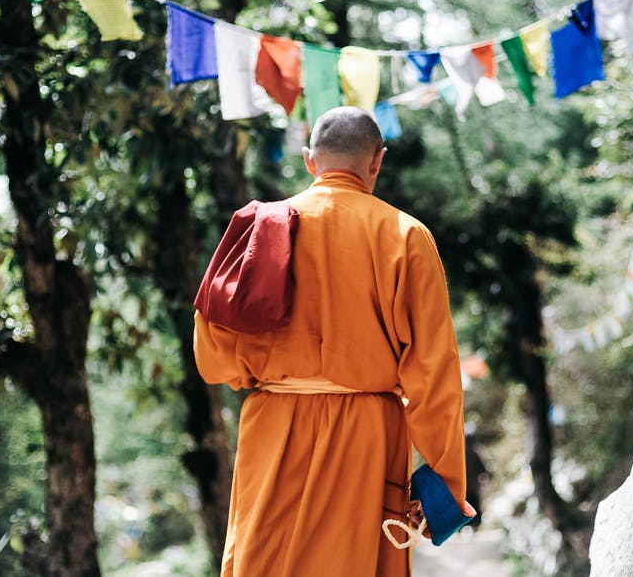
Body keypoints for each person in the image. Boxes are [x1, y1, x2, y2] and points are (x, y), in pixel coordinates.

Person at [194, 106, 471, 577]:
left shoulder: (262, 229)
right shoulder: (405, 235)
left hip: (274, 429)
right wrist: (444, 485)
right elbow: (433, 373)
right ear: (376, 162)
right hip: (366, 436)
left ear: (309, 161)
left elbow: (212, 355)